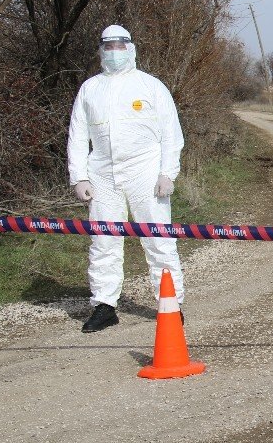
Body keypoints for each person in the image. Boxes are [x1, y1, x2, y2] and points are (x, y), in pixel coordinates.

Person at [67, 25, 186, 332]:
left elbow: (171, 134)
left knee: (158, 238)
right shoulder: (90, 89)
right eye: (108, 46)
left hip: (144, 172)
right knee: (103, 240)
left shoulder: (151, 86)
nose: (115, 52)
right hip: (103, 174)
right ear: (100, 51)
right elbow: (78, 136)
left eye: (121, 46)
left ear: (132, 48)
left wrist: (167, 172)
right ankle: (105, 305)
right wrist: (79, 177)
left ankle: (170, 304)